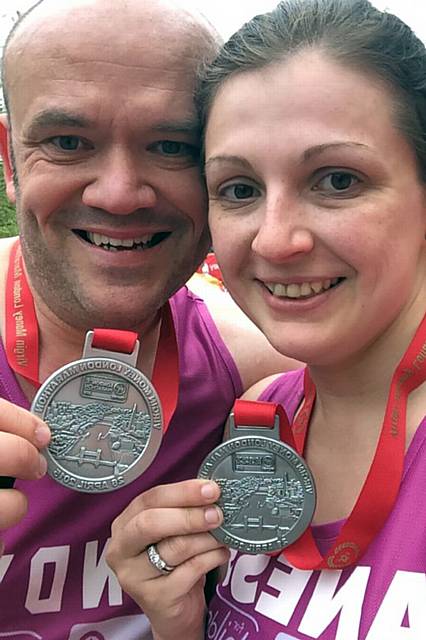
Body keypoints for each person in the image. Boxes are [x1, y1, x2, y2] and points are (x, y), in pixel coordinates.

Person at [106, 0, 426, 638]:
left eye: (337, 180)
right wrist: (179, 625)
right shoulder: (261, 419)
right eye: (239, 189)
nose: (275, 241)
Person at [0, 0, 300, 636]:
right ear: (10, 161)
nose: (119, 193)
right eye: (67, 142)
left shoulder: (262, 378)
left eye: (170, 146)